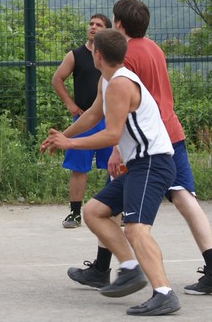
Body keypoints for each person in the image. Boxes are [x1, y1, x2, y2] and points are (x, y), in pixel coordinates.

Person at [79, 0, 212, 295]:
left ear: (119, 24)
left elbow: (121, 108)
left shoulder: (125, 56)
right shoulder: (154, 48)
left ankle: (105, 269)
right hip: (172, 131)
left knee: (114, 206)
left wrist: (116, 149)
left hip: (145, 140)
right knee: (185, 198)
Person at [42, 28, 181, 316]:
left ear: (98, 54)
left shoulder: (120, 84)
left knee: (136, 229)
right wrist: (62, 137)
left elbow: (112, 135)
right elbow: (93, 115)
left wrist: (69, 143)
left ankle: (164, 292)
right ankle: (130, 268)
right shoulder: (108, 81)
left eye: (92, 48)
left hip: (153, 163)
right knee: (94, 212)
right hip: (140, 164)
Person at [51, 13, 114, 228]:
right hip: (83, 119)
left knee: (115, 166)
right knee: (78, 168)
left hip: (109, 119)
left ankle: (117, 209)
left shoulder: (111, 56)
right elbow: (57, 79)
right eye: (91, 24)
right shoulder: (75, 55)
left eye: (99, 25)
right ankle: (75, 213)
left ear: (108, 30)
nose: (93, 27)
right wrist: (70, 103)